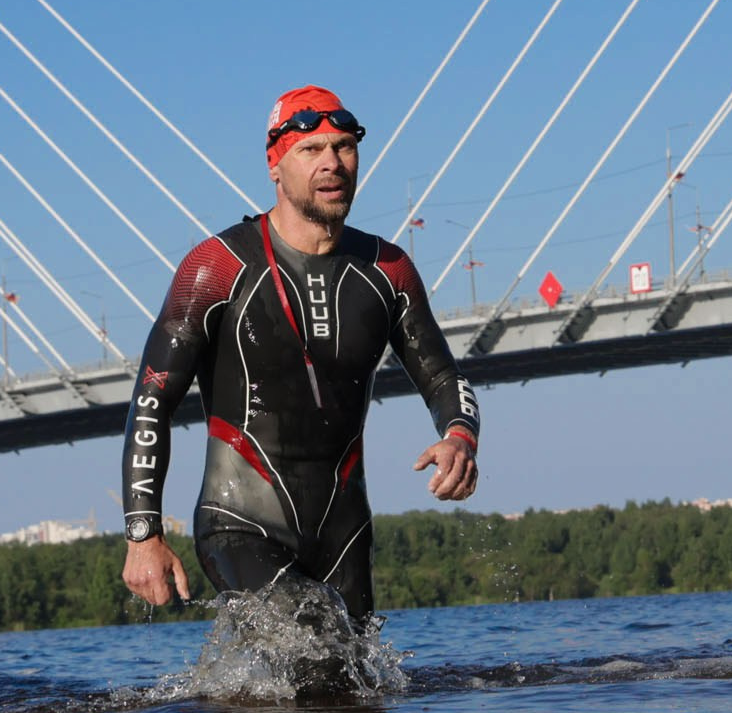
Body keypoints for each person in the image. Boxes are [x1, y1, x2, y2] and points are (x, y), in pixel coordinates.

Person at [121, 85, 481, 628]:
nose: (332, 163)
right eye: (311, 150)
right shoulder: (217, 266)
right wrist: (143, 534)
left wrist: (459, 436)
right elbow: (152, 399)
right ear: (275, 166)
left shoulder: (388, 270)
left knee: (354, 671)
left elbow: (443, 376)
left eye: (344, 147)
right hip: (239, 520)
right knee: (316, 637)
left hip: (344, 529)